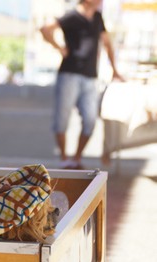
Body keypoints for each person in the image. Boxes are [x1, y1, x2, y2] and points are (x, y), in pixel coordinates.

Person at [40, 0, 124, 169]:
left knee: (90, 120)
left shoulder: (98, 17)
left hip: (91, 77)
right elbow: (45, 29)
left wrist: (115, 70)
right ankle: (64, 159)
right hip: (69, 74)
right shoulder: (71, 16)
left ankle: (77, 158)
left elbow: (107, 43)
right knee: (62, 118)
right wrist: (60, 48)